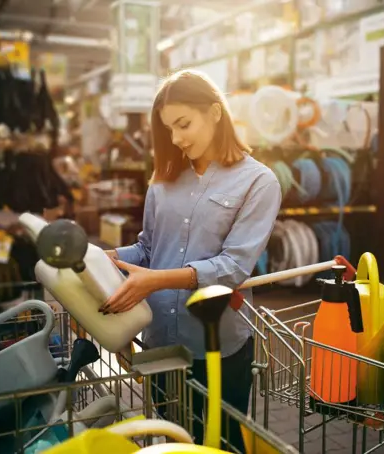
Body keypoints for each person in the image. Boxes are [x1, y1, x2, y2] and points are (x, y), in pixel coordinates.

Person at [103, 69, 281, 451]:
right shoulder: (164, 179)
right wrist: (108, 258)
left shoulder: (258, 183)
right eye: (169, 129)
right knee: (174, 441)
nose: (177, 138)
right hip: (159, 343)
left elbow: (233, 267)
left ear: (216, 112)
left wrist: (155, 281)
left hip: (217, 345)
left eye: (184, 124)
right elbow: (148, 250)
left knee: (220, 443)